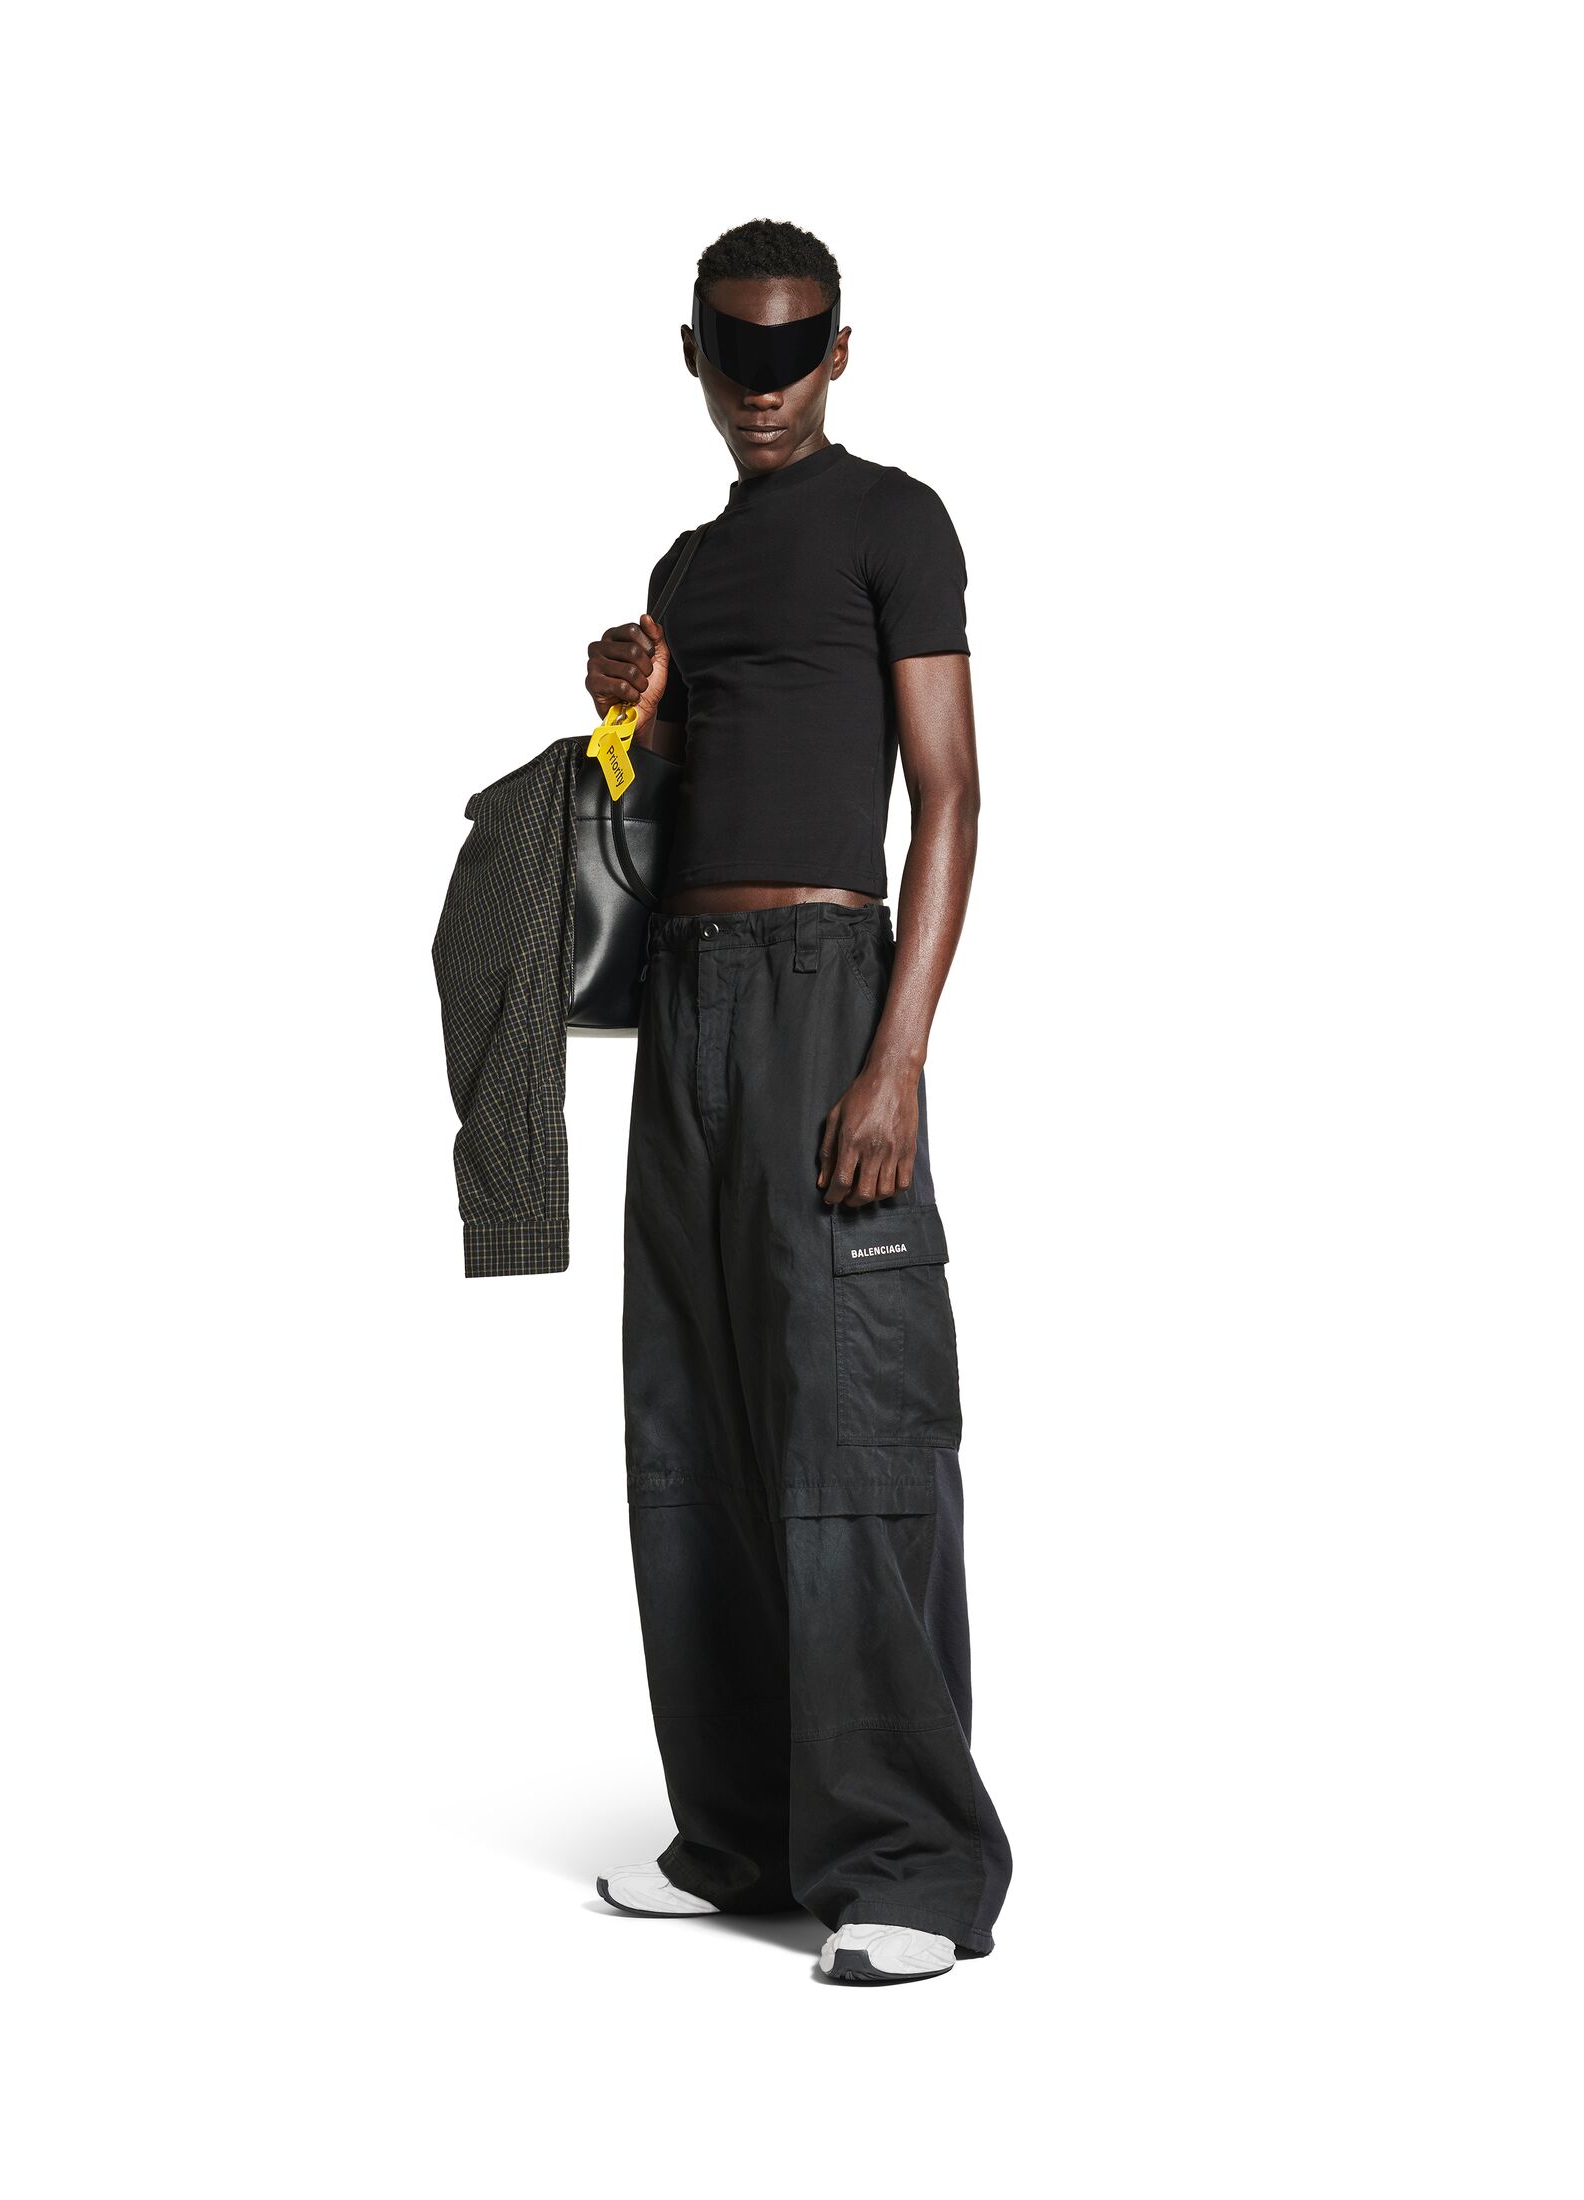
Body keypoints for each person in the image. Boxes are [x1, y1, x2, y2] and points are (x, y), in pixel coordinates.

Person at [584, 220, 1011, 1986]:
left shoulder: (897, 524)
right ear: (695, 355)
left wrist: (895, 1056)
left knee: (854, 1421)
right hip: (685, 997)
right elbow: (681, 801)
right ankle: (746, 1833)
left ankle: (910, 1862)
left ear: (837, 351)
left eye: (795, 352)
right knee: (692, 1420)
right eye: (736, 355)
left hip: (827, 990)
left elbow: (952, 794)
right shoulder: (686, 568)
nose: (764, 387)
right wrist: (638, 711)